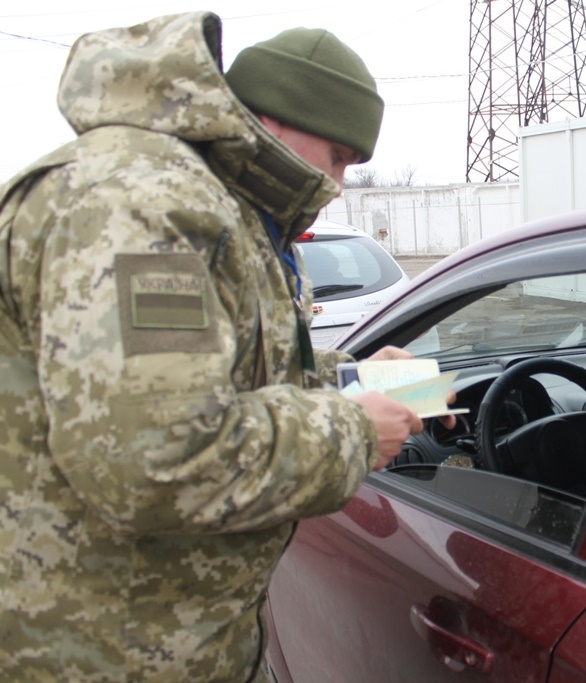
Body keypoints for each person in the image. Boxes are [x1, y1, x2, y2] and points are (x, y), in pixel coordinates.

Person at [0, 12, 441, 681]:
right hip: (90, 654)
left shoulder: (221, 209)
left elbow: (227, 374)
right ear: (279, 121)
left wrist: (348, 381)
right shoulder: (139, 205)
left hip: (181, 640)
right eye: (340, 157)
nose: (340, 183)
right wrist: (351, 429)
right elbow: (154, 454)